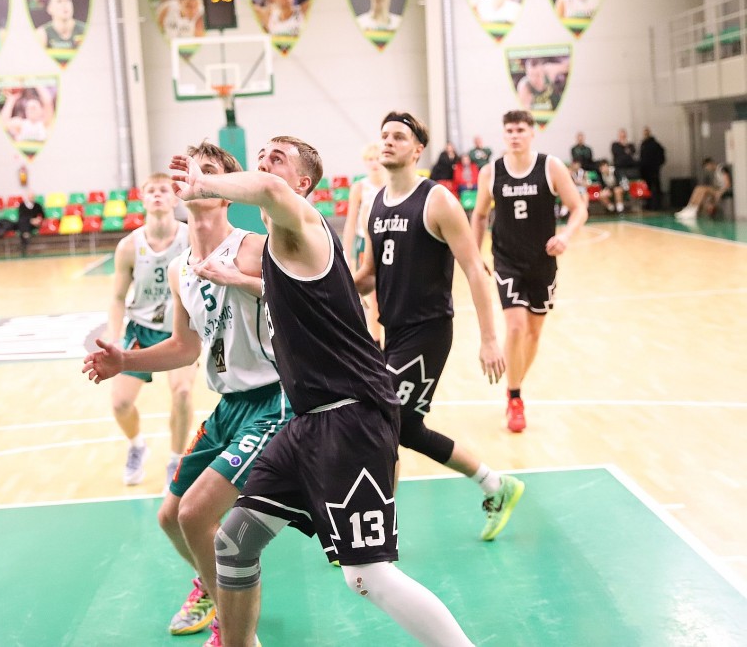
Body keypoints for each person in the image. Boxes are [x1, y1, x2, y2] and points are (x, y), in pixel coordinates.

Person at [170, 137, 476, 646]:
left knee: (366, 577)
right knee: (233, 543)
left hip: (350, 417)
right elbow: (292, 297)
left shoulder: (302, 221)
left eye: (278, 159)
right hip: (305, 422)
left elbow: (268, 190)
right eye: (262, 156)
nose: (265, 163)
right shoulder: (277, 250)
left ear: (302, 184)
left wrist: (202, 183)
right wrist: (237, 279)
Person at [84, 142, 290, 646]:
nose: (194, 177)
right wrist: (124, 361)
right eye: (190, 170)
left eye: (209, 171)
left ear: (225, 192)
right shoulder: (180, 269)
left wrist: (240, 280)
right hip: (228, 407)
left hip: (273, 403)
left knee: (197, 515)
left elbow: (305, 298)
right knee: (170, 518)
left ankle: (235, 632)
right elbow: (183, 347)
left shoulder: (253, 248)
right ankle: (215, 588)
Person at [354, 111, 523, 542]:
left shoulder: (437, 201)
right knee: (406, 429)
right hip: (393, 333)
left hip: (427, 332)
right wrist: (318, 290)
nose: (388, 142)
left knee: (379, 422)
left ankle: (378, 530)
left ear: (417, 150)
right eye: (384, 135)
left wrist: (489, 339)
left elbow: (475, 269)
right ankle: (495, 485)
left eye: (398, 137)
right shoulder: (375, 205)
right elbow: (369, 275)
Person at [471, 110, 588, 433]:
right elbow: (479, 215)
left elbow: (579, 209)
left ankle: (514, 386)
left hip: (542, 261)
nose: (514, 135)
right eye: (509, 130)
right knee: (516, 326)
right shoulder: (491, 172)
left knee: (534, 333)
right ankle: (515, 398)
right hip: (507, 261)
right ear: (503, 134)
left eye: (520, 130)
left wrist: (565, 236)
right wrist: (474, 255)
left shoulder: (550, 167)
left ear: (532, 133)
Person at [103, 172, 195, 486]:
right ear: (142, 198)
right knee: (120, 403)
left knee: (183, 392)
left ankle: (176, 461)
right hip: (141, 330)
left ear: (175, 197)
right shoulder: (129, 246)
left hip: (180, 329)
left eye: (164, 190)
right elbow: (118, 298)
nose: (157, 195)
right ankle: (137, 445)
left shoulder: (190, 238)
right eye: (151, 190)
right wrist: (114, 337)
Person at [342, 142, 387, 344]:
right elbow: (351, 224)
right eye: (370, 159)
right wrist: (346, 256)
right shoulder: (359, 187)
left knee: (390, 297)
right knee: (372, 298)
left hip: (388, 244)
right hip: (365, 246)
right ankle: (376, 345)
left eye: (377, 158)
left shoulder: (391, 185)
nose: (374, 163)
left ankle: (390, 341)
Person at [639, 126, 666, 210]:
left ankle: (658, 205)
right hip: (645, 170)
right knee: (647, 187)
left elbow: (661, 156)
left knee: (656, 187)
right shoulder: (643, 144)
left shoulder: (655, 144)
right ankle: (648, 205)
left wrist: (657, 164)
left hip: (653, 169)